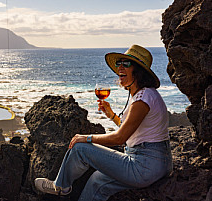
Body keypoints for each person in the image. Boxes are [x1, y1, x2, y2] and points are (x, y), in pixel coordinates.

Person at [34, 44, 173, 200]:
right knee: (97, 180)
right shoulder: (145, 95)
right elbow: (133, 131)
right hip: (154, 164)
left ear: (138, 71)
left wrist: (86, 138)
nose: (120, 67)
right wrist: (111, 114)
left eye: (126, 64)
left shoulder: (143, 99)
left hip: (143, 166)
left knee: (80, 148)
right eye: (118, 63)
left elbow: (120, 138)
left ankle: (60, 186)